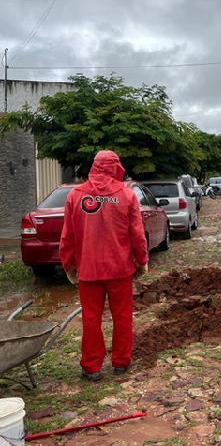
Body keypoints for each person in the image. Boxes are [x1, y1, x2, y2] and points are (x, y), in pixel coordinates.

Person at [60, 150, 148, 381]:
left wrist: (69, 265)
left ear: (94, 167)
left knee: (91, 318)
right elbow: (137, 234)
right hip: (119, 269)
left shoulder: (75, 195)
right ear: (115, 167)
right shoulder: (127, 196)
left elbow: (67, 236)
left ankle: (92, 366)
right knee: (122, 316)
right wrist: (142, 261)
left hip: (88, 270)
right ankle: (121, 362)